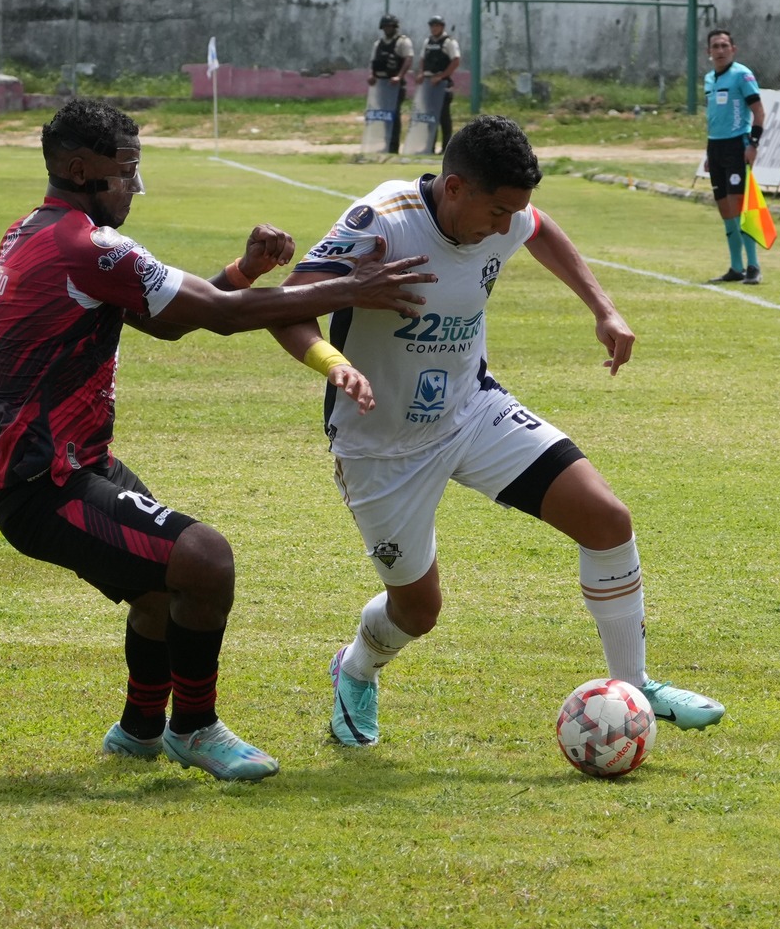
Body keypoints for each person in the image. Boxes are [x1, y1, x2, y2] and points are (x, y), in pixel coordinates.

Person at [0, 99, 434, 781]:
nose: (135, 185)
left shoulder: (35, 233)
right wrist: (346, 287)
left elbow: (170, 320)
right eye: (126, 171)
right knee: (205, 558)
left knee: (166, 584)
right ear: (81, 170)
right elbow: (216, 319)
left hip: (64, 466)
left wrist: (244, 271)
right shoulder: (87, 246)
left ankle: (138, 729)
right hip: (47, 483)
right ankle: (193, 726)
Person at [265, 115, 727, 749]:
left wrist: (603, 307)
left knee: (606, 519)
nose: (508, 225)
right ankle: (357, 667)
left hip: (470, 410)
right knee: (418, 613)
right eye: (498, 210)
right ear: (454, 187)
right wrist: (335, 363)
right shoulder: (383, 221)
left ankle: (634, 687)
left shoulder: (506, 217)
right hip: (380, 444)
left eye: (518, 209)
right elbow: (288, 303)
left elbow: (540, 230)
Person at [702, 29, 766, 285]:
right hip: (715, 147)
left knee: (740, 207)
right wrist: (707, 152)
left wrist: (753, 144)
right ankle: (735, 267)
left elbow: (759, 113)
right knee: (725, 210)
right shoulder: (709, 79)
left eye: (724, 45)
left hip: (736, 146)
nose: (720, 50)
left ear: (733, 49)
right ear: (709, 52)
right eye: (715, 46)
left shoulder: (742, 75)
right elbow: (714, 116)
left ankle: (753, 266)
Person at [369, 15, 415, 153]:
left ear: (395, 27)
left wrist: (399, 76)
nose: (387, 29)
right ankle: (386, 143)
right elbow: (373, 62)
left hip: (395, 85)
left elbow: (408, 59)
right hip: (381, 84)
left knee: (394, 115)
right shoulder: (379, 43)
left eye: (390, 26)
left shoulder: (402, 42)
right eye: (385, 27)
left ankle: (393, 146)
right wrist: (372, 76)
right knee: (383, 115)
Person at [418, 15, 462, 151]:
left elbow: (456, 61)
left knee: (444, 118)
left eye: (436, 25)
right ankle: (430, 146)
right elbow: (422, 59)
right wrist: (421, 73)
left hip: (442, 84)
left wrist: (442, 76)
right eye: (432, 26)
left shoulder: (449, 42)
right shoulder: (428, 42)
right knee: (430, 118)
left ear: (442, 27)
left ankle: (446, 148)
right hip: (429, 83)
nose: (434, 28)